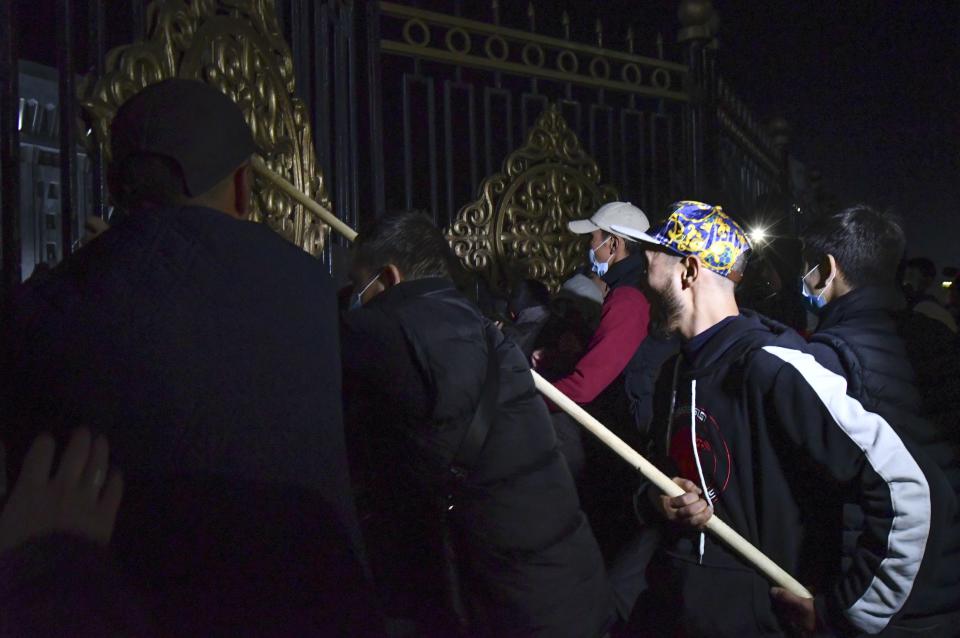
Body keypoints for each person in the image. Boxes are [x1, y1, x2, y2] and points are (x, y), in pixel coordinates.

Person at [0, 79, 373, 635]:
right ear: (244, 188)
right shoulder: (308, 288)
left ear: (117, 187)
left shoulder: (50, 305)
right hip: (316, 609)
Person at [611, 200, 953, 637]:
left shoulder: (775, 367)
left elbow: (909, 491)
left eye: (650, 261)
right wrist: (660, 499)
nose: (642, 277)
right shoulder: (671, 374)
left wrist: (847, 612)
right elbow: (658, 475)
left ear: (689, 270)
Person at [341, 211, 612, 637]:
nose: (358, 298)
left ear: (389, 278)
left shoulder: (385, 330)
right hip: (568, 576)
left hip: (511, 595)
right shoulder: (482, 329)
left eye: (360, 286)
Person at [800, 205, 960, 634]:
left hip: (881, 587)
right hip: (946, 580)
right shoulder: (940, 338)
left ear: (828, 269)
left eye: (807, 267)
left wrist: (841, 607)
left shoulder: (828, 359)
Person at [901, 257, 957, 332]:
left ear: (928, 280)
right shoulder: (900, 302)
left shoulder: (929, 309)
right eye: (904, 276)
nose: (905, 281)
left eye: (911, 275)